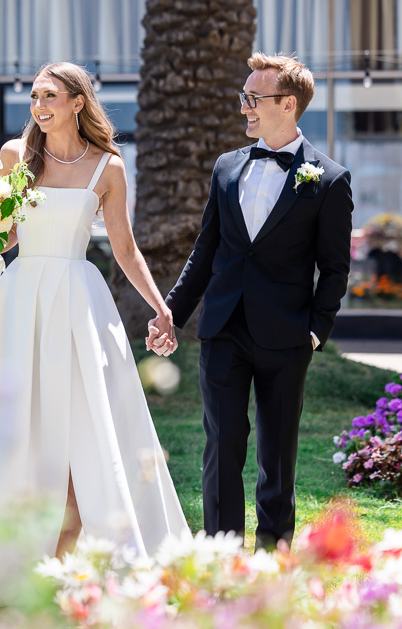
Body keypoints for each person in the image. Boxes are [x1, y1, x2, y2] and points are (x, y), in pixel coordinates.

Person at [0, 62, 189, 600]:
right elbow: (8, 233)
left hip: (79, 302)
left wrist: (161, 308)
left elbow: (125, 248)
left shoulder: (107, 167)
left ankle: (66, 560)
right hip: (20, 302)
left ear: (78, 103)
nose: (39, 107)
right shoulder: (16, 157)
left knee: (88, 426)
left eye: (50, 96)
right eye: (34, 97)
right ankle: (6, 559)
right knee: (15, 423)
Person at [148, 53, 353, 550]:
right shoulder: (227, 168)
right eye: (244, 98)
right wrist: (170, 313)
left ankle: (274, 548)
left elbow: (335, 267)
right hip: (222, 329)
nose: (244, 108)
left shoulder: (328, 180)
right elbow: (205, 251)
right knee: (222, 443)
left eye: (252, 99)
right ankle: (221, 549)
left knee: (276, 449)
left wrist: (315, 328)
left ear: (287, 104)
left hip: (287, 334)